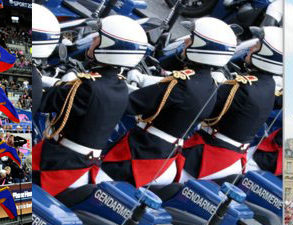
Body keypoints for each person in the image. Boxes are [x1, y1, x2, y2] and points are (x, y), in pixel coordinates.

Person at [101, 17, 237, 188]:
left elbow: (131, 104)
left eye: (192, 38)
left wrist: (105, 89)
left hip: (144, 154)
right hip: (169, 159)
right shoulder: (210, 85)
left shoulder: (181, 84)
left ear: (202, 48)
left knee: (100, 176)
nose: (186, 41)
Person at [34, 12, 145, 196]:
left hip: (62, 162)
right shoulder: (119, 86)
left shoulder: (88, 87)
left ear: (109, 48)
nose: (93, 38)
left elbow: (43, 101)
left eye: (99, 38)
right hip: (87, 163)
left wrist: (37, 77)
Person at [180, 26, 282, 182]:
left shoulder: (240, 86)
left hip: (210, 156)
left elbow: (198, 106)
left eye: (258, 45)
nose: (251, 47)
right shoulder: (269, 87)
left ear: (268, 54)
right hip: (233, 159)